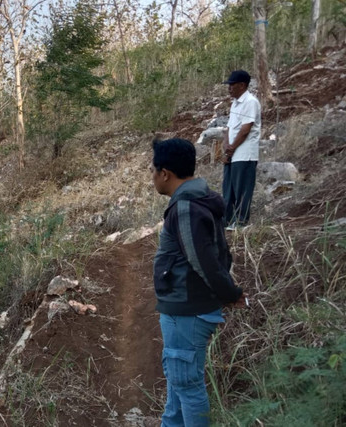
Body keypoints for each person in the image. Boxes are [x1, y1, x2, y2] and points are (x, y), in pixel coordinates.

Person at [150, 138, 247, 426]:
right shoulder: (199, 200)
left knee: (188, 389)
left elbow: (204, 262)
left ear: (165, 173)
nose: (152, 177)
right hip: (186, 307)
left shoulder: (185, 208)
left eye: (153, 170)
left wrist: (230, 293)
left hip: (187, 309)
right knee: (178, 385)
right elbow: (218, 254)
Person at [222, 70, 261, 229]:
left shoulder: (250, 102)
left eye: (232, 85)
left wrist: (231, 148)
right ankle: (227, 220)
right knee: (228, 189)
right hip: (233, 153)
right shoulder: (235, 103)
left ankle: (241, 221)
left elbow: (245, 129)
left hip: (245, 153)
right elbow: (229, 128)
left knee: (242, 189)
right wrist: (226, 147)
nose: (229, 88)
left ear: (242, 85)